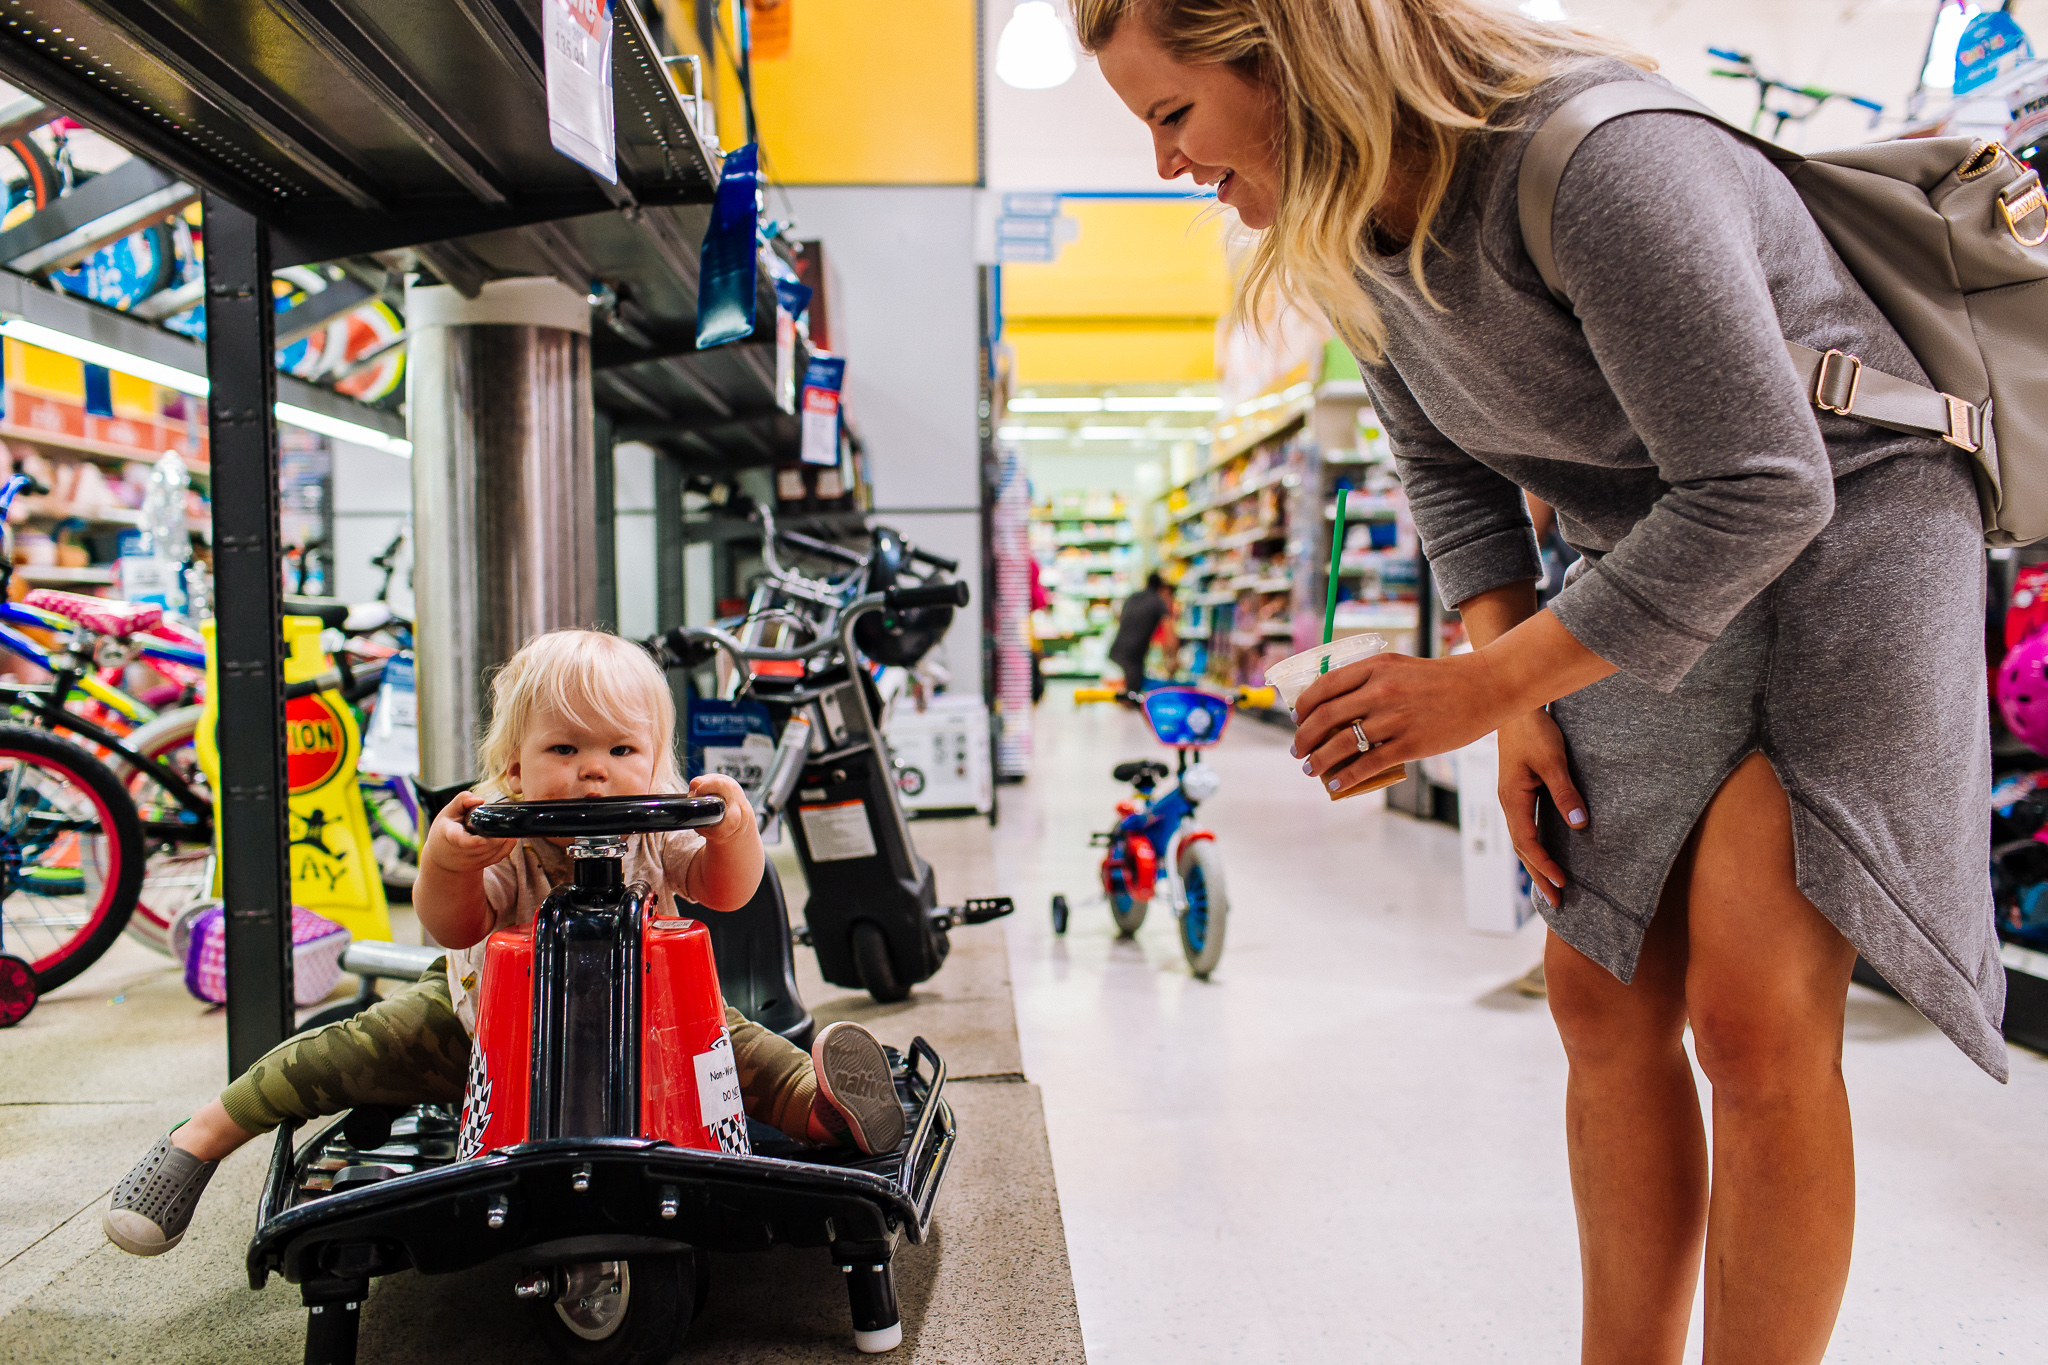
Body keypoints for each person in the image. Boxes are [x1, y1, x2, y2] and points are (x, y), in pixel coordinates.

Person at [1083, 3, 2002, 1362]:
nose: (1170, 162)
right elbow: (1448, 474)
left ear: (1291, 59)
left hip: (1847, 535)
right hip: (1646, 544)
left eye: (1175, 115)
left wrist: (1472, 688)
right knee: (1597, 987)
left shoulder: (1604, 157)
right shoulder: (1355, 236)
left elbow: (1765, 485)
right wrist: (1513, 700)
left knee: (1751, 1016)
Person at [103, 629, 905, 1257]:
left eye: (621, 750)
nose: (596, 772)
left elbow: (728, 891)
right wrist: (451, 857)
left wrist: (733, 828)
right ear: (514, 765)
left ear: (656, 759)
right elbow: (453, 925)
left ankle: (827, 1104)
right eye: (565, 749)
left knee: (746, 1054)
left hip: (660, 1026)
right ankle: (201, 1136)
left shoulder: (660, 828)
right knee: (340, 1052)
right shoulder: (501, 836)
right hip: (489, 1031)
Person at [1107, 571, 1178, 693]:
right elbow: (1169, 633)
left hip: (1116, 651)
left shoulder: (1133, 597)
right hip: (1133, 657)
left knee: (1126, 695)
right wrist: (1173, 657)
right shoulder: (1158, 601)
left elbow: (1120, 619)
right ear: (1161, 588)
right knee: (1132, 696)